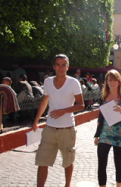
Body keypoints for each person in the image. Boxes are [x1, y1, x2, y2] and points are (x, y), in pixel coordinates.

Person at [31, 54, 84, 187]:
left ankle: (67, 185)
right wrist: (36, 121)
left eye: (63, 65)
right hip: (49, 128)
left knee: (68, 161)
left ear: (68, 67)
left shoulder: (73, 83)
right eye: (58, 65)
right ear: (54, 66)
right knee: (42, 161)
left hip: (67, 129)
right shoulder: (48, 81)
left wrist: (63, 111)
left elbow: (81, 104)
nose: (61, 68)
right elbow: (44, 102)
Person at [94, 69, 121, 187]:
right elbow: (101, 118)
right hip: (105, 134)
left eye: (115, 80)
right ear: (106, 81)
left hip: (120, 135)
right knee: (101, 164)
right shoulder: (104, 97)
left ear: (119, 82)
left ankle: (119, 185)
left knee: (118, 164)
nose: (112, 82)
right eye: (110, 80)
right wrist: (97, 135)